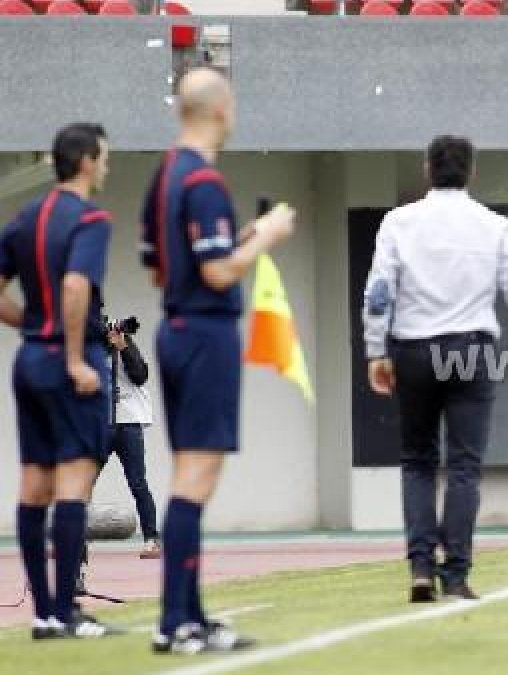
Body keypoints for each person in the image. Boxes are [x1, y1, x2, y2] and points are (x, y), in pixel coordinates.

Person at [362, 134, 508, 603]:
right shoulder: (494, 226)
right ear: (470, 172)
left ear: (427, 169)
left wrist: (376, 351)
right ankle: (457, 575)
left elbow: (379, 292)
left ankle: (420, 567)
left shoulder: (398, 222)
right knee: (465, 465)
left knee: (417, 461)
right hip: (471, 349)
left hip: (413, 349)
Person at [140, 67, 296, 654]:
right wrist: (270, 236)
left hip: (174, 328)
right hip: (206, 332)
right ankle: (176, 622)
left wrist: (245, 232)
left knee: (189, 474)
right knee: (196, 479)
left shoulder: (163, 177)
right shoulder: (203, 180)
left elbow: (159, 265)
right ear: (220, 109)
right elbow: (217, 270)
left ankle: (191, 615)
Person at [0, 122, 121, 639]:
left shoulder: (24, 219)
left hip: (29, 361)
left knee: (34, 485)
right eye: (105, 156)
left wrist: (31, 325)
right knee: (73, 483)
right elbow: (75, 283)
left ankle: (45, 613)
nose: (107, 165)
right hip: (70, 362)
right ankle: (65, 613)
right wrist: (74, 358)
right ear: (89, 161)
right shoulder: (91, 218)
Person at [98, 317, 161, 558]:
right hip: (101, 423)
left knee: (138, 482)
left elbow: (140, 375)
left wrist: (122, 346)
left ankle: (152, 539)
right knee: (82, 482)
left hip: (129, 424)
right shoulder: (91, 349)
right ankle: (70, 539)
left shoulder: (126, 346)